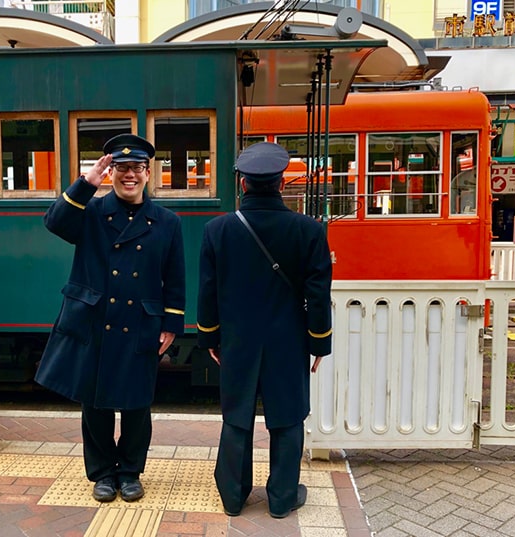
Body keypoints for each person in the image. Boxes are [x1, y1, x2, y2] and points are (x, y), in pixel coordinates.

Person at [35, 133, 186, 503]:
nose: (128, 175)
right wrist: (88, 181)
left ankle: (130, 471)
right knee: (96, 402)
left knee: (137, 403)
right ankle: (102, 472)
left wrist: (171, 323)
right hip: (96, 318)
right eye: (121, 168)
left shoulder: (166, 221)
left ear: (148, 173)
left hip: (141, 322)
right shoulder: (92, 213)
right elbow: (54, 222)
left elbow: (176, 276)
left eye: (135, 168)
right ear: (112, 172)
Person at [196, 142, 332, 518]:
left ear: (242, 184)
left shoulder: (217, 230)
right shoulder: (309, 230)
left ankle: (233, 497)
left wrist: (210, 336)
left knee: (236, 416)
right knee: (287, 418)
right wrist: (319, 342)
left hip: (237, 340)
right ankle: (281, 498)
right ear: (282, 183)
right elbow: (318, 293)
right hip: (288, 341)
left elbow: (208, 291)